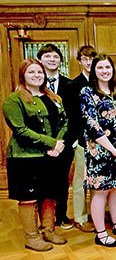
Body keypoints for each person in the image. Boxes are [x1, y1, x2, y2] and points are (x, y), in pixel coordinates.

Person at [3, 59, 68, 251]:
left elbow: (64, 122)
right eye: (31, 72)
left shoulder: (54, 98)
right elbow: (20, 130)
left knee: (49, 194)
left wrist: (58, 144)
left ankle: (48, 230)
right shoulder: (13, 100)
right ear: (22, 75)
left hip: (51, 155)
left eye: (39, 72)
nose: (37, 76)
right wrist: (51, 142)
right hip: (25, 157)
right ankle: (32, 237)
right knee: (29, 197)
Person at [80, 54, 116, 247]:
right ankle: (101, 233)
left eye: (108, 67)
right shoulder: (87, 92)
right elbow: (91, 125)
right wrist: (113, 150)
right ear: (94, 70)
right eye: (100, 67)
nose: (105, 71)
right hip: (100, 150)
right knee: (100, 191)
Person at [37, 43, 74, 230]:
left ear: (61, 60)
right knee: (43, 182)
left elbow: (74, 116)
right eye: (47, 57)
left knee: (62, 180)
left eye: (55, 57)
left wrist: (66, 142)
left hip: (65, 143)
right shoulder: (35, 85)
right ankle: (44, 220)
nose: (52, 60)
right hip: (41, 144)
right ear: (40, 60)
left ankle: (62, 216)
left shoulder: (70, 84)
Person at [69, 45, 98, 233]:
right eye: (85, 59)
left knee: (97, 180)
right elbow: (71, 115)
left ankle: (97, 216)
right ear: (79, 61)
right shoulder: (73, 85)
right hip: (80, 140)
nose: (89, 63)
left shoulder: (100, 82)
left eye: (92, 59)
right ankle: (80, 217)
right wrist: (73, 140)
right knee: (80, 181)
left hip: (99, 141)